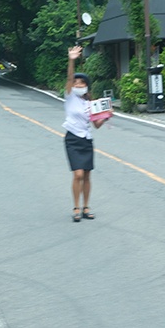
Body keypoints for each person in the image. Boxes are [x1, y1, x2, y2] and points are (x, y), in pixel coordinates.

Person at [63, 46, 110, 222]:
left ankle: (86, 207)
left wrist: (106, 116)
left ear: (86, 86)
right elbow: (69, 77)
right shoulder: (70, 97)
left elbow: (96, 125)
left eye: (81, 83)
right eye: (75, 83)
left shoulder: (90, 104)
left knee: (88, 174)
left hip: (87, 140)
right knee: (78, 174)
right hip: (72, 138)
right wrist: (72, 60)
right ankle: (76, 207)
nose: (77, 85)